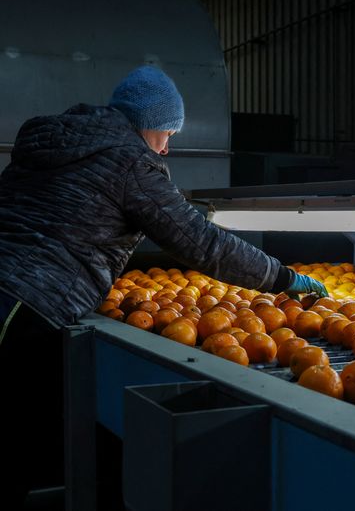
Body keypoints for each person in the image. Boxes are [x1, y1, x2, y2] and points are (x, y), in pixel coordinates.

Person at [0, 65, 327, 508]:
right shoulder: (130, 161)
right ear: (147, 124)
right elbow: (200, 242)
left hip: (10, 286)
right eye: (167, 133)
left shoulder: (54, 141)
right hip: (31, 305)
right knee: (21, 442)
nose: (167, 147)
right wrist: (282, 277)